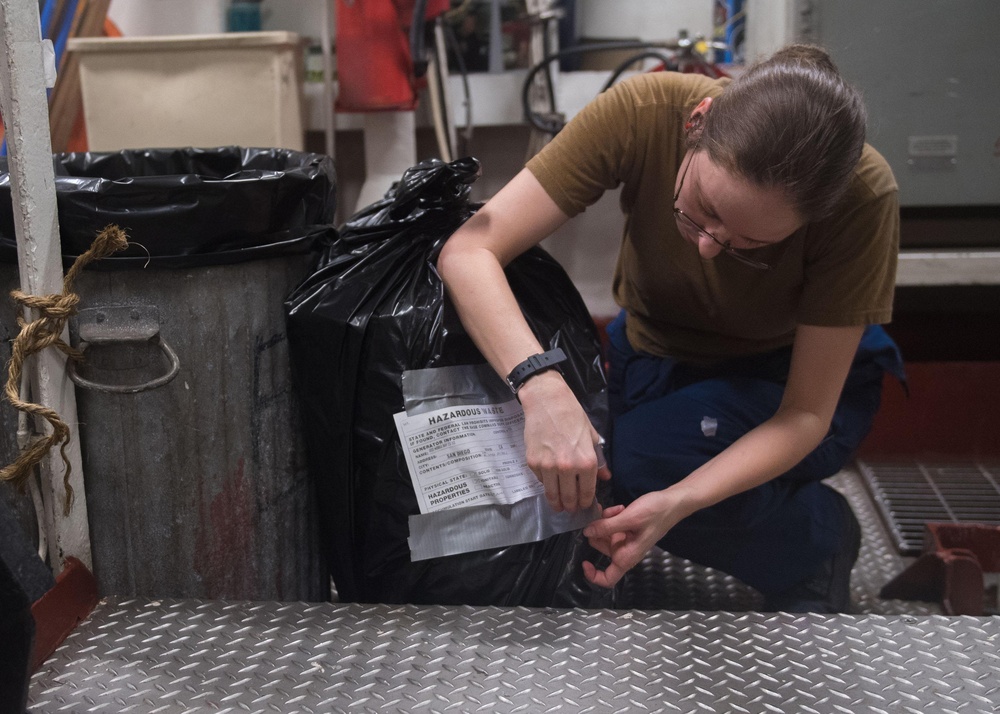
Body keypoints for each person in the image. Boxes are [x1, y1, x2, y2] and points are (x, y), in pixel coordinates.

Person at [436, 44, 904, 613]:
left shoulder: (863, 194)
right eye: (701, 209)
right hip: (653, 351)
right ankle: (741, 493)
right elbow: (470, 249)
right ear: (697, 123)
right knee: (598, 471)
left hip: (783, 379)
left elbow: (805, 414)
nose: (708, 248)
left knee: (647, 471)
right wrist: (540, 386)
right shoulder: (643, 111)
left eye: (749, 244)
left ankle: (816, 538)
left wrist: (680, 500)